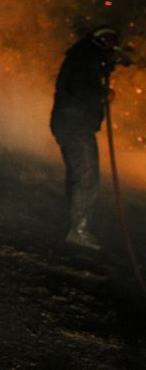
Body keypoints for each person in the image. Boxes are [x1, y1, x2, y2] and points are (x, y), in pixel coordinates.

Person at [49, 25, 130, 250]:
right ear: (103, 42)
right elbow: (79, 86)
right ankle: (79, 230)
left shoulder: (83, 57)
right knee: (87, 176)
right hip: (75, 125)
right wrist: (104, 93)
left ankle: (72, 223)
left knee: (78, 174)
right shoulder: (86, 59)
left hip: (70, 124)